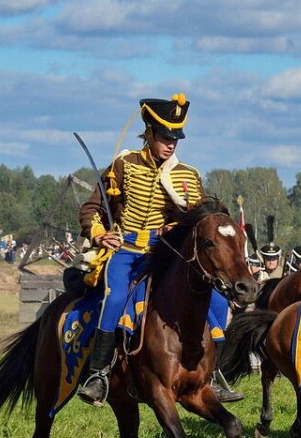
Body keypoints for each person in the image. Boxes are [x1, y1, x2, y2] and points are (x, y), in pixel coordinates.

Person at [74, 94, 242, 406]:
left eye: (175, 139)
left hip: (167, 254)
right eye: (165, 137)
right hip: (127, 249)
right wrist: (99, 234)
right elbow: (92, 209)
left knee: (217, 301)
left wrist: (177, 228)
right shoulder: (123, 165)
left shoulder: (188, 175)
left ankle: (212, 374)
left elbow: (202, 221)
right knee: (115, 297)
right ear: (149, 134)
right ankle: (98, 374)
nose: (171, 144)